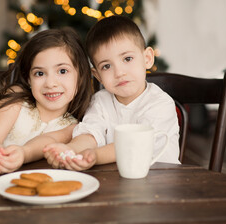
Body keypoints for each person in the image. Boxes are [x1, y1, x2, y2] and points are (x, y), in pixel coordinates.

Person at [44, 16, 180, 171]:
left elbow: (135, 145)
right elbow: (90, 134)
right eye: (107, 66)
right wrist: (71, 149)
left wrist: (95, 155)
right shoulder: (100, 101)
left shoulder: (160, 103)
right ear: (98, 75)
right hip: (116, 182)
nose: (119, 72)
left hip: (161, 182)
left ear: (147, 58)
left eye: (127, 59)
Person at [0, 28, 93, 174]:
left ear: (80, 77)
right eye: (40, 73)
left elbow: (43, 143)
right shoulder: (15, 98)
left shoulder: (72, 127)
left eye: (62, 71)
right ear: (29, 79)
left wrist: (22, 154)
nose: (50, 83)